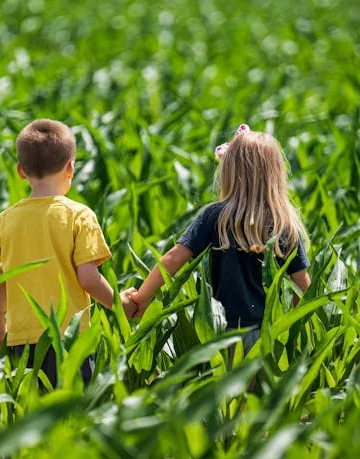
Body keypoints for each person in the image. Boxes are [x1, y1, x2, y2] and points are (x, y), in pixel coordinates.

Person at [0, 118, 137, 388]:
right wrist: (120, 306)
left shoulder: (5, 220)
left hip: (22, 341)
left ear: (20, 171)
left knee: (33, 416)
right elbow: (88, 279)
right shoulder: (78, 216)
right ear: (70, 168)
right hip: (69, 337)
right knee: (73, 414)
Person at [130, 124, 311, 353]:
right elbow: (302, 288)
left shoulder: (216, 217)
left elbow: (173, 259)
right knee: (258, 389)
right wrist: (296, 335)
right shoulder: (284, 225)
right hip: (268, 335)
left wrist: (141, 299)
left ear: (230, 172)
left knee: (227, 387)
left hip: (222, 334)